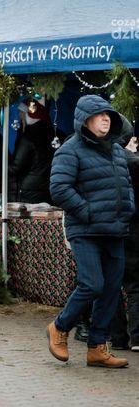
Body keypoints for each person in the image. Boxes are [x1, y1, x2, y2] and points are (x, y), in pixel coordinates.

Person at [46, 95, 134, 368]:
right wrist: (87, 212)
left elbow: (126, 185)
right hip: (85, 229)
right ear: (85, 120)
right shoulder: (70, 150)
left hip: (114, 229)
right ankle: (59, 327)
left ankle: (97, 347)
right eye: (100, 115)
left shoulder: (117, 150)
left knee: (111, 289)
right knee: (92, 284)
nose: (106, 119)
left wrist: (127, 209)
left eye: (109, 115)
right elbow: (59, 188)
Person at [109, 117, 139, 351]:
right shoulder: (133, 161)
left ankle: (118, 337)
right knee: (135, 283)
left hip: (109, 227)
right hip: (133, 227)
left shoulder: (102, 159)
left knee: (112, 285)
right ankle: (137, 337)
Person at [8, 99, 55, 204]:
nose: (20, 116)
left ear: (28, 115)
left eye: (21, 113)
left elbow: (16, 167)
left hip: (28, 192)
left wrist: (1, 165)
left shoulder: (28, 137)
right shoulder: (54, 134)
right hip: (49, 189)